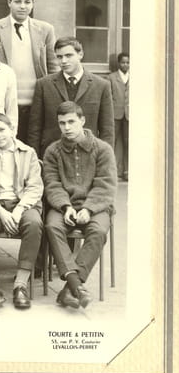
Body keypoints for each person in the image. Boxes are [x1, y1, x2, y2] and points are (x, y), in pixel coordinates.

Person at [43, 101, 117, 309]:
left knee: (98, 231)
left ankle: (71, 288)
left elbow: (105, 184)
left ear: (82, 121)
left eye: (71, 122)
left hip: (96, 206)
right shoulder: (53, 151)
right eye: (62, 123)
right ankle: (77, 286)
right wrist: (65, 206)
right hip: (63, 207)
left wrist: (89, 208)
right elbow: (52, 184)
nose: (67, 127)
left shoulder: (103, 149)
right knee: (52, 226)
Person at [0, 113, 43, 313]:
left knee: (34, 224)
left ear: (12, 129)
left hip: (23, 203)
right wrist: (1, 212)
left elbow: (35, 186)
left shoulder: (28, 152)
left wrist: (20, 209)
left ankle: (20, 285)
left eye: (1, 130)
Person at [0, 0, 58, 142]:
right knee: (5, 143)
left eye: (27, 2)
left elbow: (53, 66)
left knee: (33, 144)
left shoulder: (45, 29)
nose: (22, 6)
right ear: (9, 2)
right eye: (17, 1)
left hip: (36, 101)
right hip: (4, 101)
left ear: (33, 3)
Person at [28, 37, 114, 157]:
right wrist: (34, 159)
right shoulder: (43, 85)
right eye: (59, 57)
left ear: (80, 54)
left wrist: (104, 158)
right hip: (52, 156)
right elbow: (34, 128)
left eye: (68, 56)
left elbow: (107, 130)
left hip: (88, 156)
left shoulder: (101, 85)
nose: (63, 61)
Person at [108, 52, 129, 180]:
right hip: (115, 114)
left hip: (129, 115)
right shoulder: (111, 78)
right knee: (112, 141)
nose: (125, 65)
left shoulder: (135, 76)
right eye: (123, 62)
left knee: (128, 142)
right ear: (118, 63)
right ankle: (111, 171)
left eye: (127, 62)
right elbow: (108, 96)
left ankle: (126, 171)